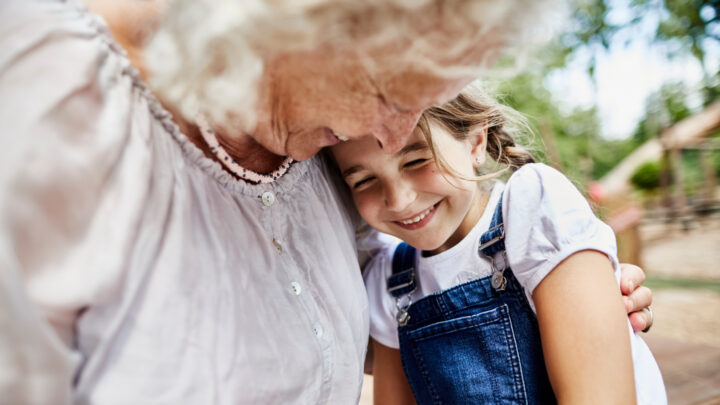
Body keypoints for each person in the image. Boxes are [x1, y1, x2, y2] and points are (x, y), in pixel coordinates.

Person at [0, 0, 654, 403]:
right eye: (387, 93)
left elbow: (350, 329)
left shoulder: (325, 147)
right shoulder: (43, 92)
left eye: (423, 110)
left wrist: (569, 296)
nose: (392, 137)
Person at [330, 88, 666, 404]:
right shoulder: (389, 281)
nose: (398, 199)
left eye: (416, 161)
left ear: (475, 143)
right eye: (363, 180)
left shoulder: (533, 206)